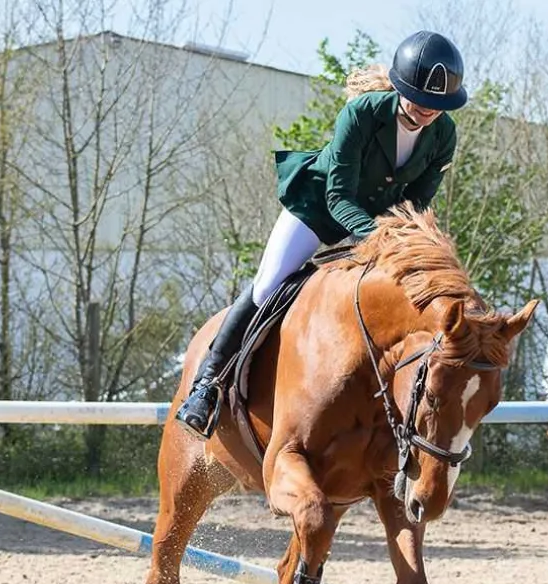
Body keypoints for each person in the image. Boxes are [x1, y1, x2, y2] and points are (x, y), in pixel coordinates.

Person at [176, 29, 469, 439]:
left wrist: (407, 244)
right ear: (401, 88)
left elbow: (417, 204)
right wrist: (380, 236)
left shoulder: (443, 135)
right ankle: (207, 384)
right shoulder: (362, 115)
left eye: (438, 105)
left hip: (378, 222)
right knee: (268, 284)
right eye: (421, 100)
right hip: (319, 207)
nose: (428, 111)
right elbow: (338, 195)